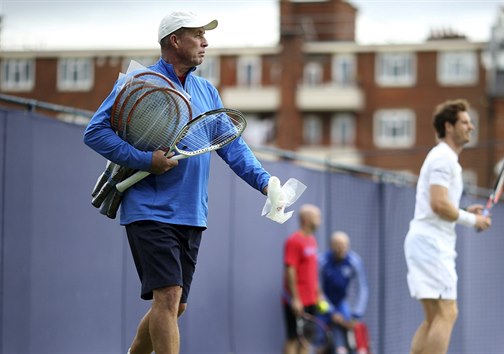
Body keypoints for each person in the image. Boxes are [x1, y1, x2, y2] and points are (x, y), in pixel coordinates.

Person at [83, 11, 273, 354]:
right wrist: (146, 161)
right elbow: (95, 132)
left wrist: (264, 182)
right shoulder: (139, 82)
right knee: (168, 297)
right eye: (197, 35)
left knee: (175, 305)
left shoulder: (206, 91)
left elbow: (231, 146)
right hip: (148, 210)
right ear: (175, 40)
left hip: (191, 214)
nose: (205, 42)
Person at [403, 99, 492, 354]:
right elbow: (439, 205)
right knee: (448, 312)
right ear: (448, 127)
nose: (471, 127)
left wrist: (464, 211)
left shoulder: (443, 158)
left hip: (425, 242)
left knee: (434, 318)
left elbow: (441, 206)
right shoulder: (444, 158)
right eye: (464, 122)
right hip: (431, 245)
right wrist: (473, 220)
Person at [283, 204, 325, 354]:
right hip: (296, 301)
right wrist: (295, 299)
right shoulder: (294, 241)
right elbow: (290, 269)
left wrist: (318, 292)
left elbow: (312, 270)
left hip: (311, 300)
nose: (320, 220)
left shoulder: (312, 240)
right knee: (293, 338)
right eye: (317, 217)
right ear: (307, 219)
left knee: (307, 339)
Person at [319, 231, 369, 354]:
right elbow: (317, 290)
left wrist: (357, 314)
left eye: (344, 245)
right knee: (320, 344)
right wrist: (331, 312)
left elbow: (362, 288)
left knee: (348, 341)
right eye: (338, 244)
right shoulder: (321, 262)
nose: (341, 248)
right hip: (322, 306)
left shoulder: (354, 261)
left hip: (341, 304)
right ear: (331, 246)